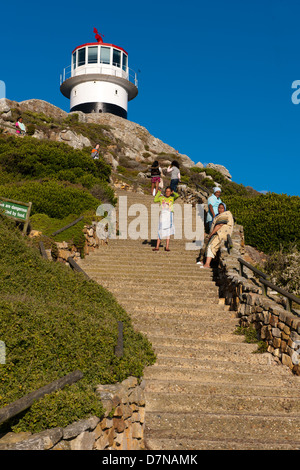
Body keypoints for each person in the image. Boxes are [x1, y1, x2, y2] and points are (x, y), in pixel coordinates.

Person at [201, 203, 234, 268]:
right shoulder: (219, 215)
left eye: (222, 208)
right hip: (217, 233)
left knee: (211, 246)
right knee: (206, 242)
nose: (220, 209)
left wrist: (211, 234)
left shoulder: (225, 215)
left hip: (220, 233)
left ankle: (207, 264)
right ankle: (203, 260)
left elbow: (219, 225)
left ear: (224, 209)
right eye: (219, 208)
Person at [153, 186, 179, 252]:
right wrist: (159, 192)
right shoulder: (162, 198)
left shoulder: (172, 198)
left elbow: (177, 195)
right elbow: (155, 200)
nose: (167, 193)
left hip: (169, 215)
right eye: (166, 191)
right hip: (163, 215)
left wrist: (173, 192)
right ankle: (157, 246)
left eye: (169, 191)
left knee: (168, 230)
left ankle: (167, 247)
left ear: (171, 192)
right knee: (160, 229)